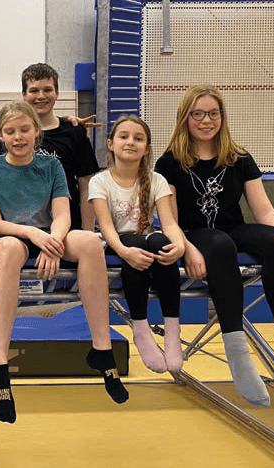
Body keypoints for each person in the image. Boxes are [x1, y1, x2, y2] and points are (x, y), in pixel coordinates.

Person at [154, 85, 274, 405]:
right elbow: (170, 220)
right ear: (185, 118)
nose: (206, 120)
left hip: (233, 228)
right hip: (194, 232)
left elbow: (265, 212)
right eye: (198, 114)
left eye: (213, 113)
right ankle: (237, 355)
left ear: (222, 117)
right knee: (218, 245)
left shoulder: (239, 157)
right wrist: (188, 248)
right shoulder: (170, 162)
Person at [0, 101, 129, 424]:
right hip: (10, 235)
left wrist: (54, 242)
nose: (18, 137)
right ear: (1, 136)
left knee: (88, 241)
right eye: (10, 131)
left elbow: (62, 214)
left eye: (24, 130)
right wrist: (35, 236)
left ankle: (102, 350)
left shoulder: (51, 167)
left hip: (48, 236)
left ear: (36, 132)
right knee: (11, 250)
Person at [89, 115, 184, 374]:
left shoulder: (156, 180)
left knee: (162, 243)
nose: (131, 142)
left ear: (147, 148)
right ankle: (140, 329)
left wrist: (179, 246)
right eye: (124, 136)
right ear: (110, 143)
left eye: (138, 138)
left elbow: (169, 223)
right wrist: (123, 251)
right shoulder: (100, 181)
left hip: (148, 240)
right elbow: (106, 226)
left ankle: (172, 329)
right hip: (117, 242)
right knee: (134, 243)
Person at [22, 63, 100, 231]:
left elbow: (86, 185)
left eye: (47, 90)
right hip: (25, 226)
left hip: (68, 226)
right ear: (24, 95)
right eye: (34, 90)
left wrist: (88, 232)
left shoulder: (75, 132)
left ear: (56, 93)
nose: (41, 96)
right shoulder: (14, 136)